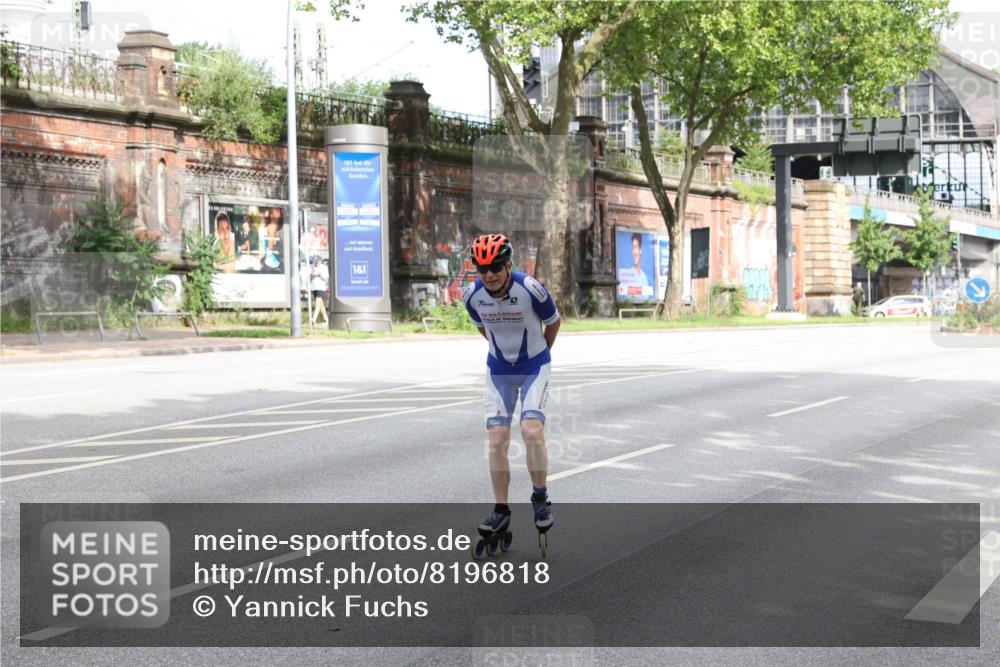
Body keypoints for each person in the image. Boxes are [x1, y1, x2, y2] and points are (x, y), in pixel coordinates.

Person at [462, 233, 561, 550]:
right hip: (499, 370)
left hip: (534, 366)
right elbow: (483, 327)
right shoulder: (471, 296)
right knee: (497, 438)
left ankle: (540, 495)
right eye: (482, 268)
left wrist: (539, 356)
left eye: (495, 267)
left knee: (531, 431)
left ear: (508, 265)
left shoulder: (530, 288)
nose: (489, 275)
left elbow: (554, 322)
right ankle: (500, 510)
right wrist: (502, 353)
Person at [309, 257, 329, 326]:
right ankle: (326, 319)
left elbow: (325, 278)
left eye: (318, 262)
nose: (317, 263)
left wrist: (320, 274)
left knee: (317, 303)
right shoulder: (312, 267)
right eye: (316, 262)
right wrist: (311, 273)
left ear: (320, 262)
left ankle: (313, 319)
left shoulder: (324, 268)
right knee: (321, 305)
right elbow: (309, 278)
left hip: (321, 288)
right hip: (314, 288)